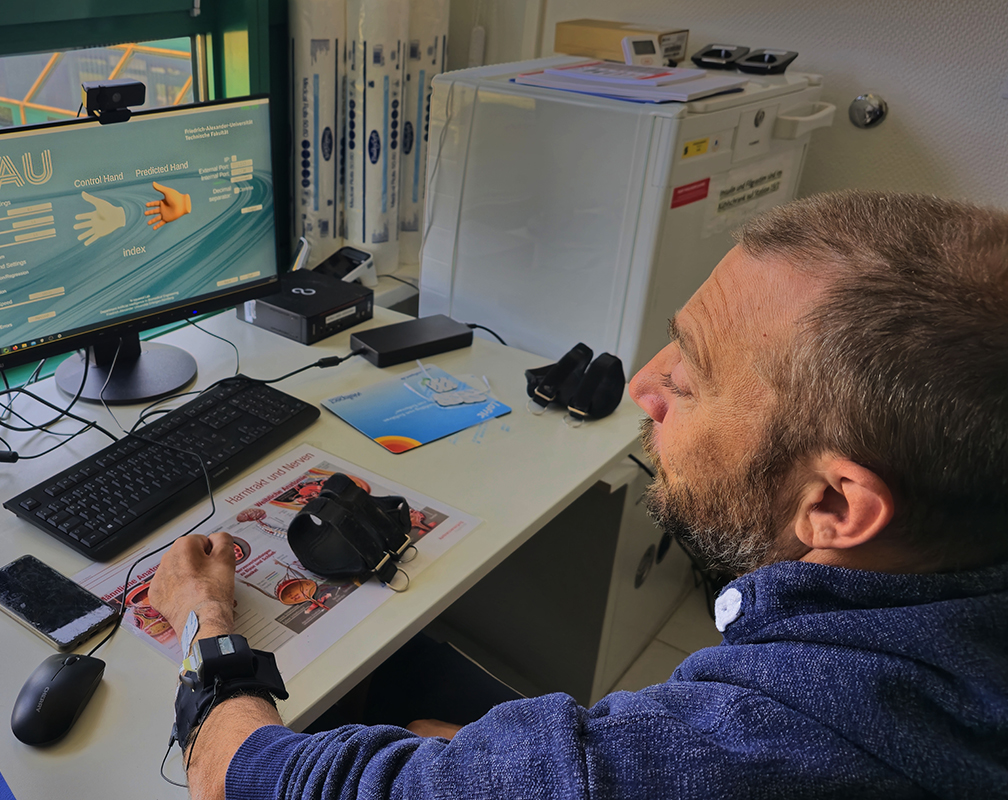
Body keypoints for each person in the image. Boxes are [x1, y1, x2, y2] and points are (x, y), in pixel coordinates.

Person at [149, 191, 1008, 799]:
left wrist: (206, 622)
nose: (645, 385)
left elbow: (236, 780)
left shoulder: (778, 742)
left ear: (837, 508)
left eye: (695, 375)